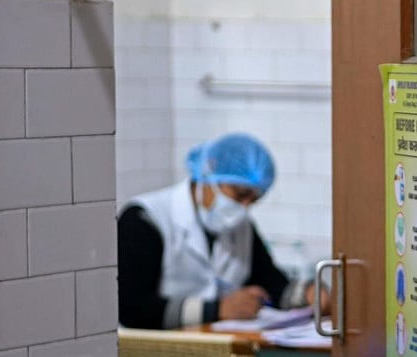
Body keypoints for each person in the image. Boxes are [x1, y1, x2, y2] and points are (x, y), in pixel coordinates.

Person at [118, 132, 324, 330]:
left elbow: (270, 282)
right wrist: (218, 309)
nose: (243, 208)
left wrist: (308, 294)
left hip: (214, 346)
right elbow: (130, 308)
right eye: (239, 195)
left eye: (252, 201)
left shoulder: (242, 227)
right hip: (152, 351)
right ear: (208, 174)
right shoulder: (145, 218)